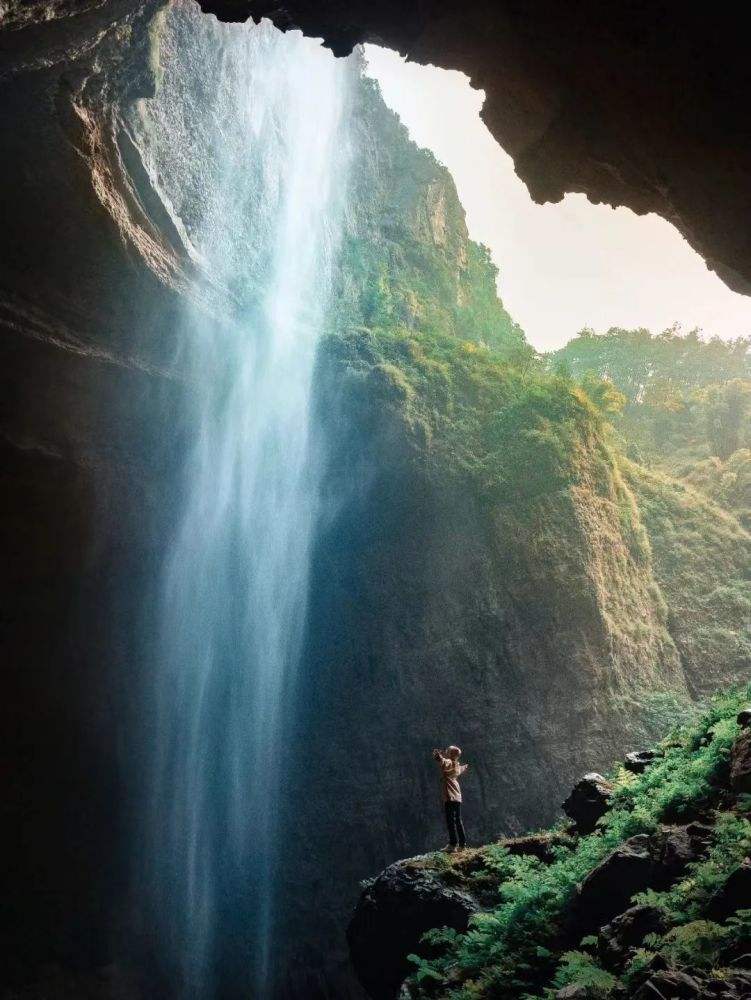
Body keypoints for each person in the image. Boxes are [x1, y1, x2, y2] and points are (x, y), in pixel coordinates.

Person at [432, 745, 469, 851]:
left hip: (450, 795)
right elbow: (460, 770)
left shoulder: (448, 762)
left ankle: (452, 844)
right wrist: (464, 767)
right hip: (457, 795)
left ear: (451, 754)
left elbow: (443, 762)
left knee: (450, 820)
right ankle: (462, 845)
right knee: (458, 820)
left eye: (448, 751)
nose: (446, 752)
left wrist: (438, 757)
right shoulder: (457, 765)